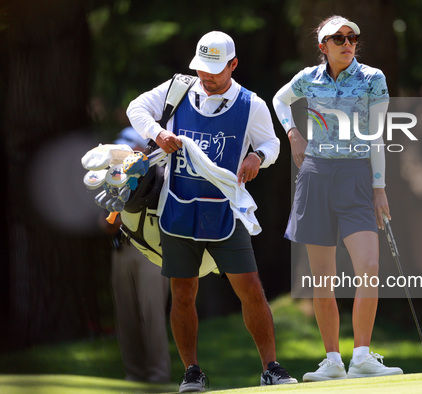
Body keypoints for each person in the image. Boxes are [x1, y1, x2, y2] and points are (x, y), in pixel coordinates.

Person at [126, 31, 297, 392]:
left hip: (225, 210)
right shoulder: (178, 89)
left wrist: (257, 157)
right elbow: (136, 109)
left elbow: (271, 143)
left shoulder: (252, 104)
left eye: (216, 69)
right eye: (202, 67)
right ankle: (192, 372)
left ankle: (271, 368)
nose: (207, 75)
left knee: (250, 288)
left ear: (233, 65)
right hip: (178, 207)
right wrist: (157, 134)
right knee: (183, 291)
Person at [272, 16, 404, 381]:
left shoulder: (372, 78)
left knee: (370, 267)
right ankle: (332, 361)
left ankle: (361, 355)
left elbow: (376, 137)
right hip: (315, 175)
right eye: (338, 38)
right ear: (323, 46)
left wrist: (379, 187)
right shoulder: (308, 78)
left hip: (357, 177)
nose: (348, 43)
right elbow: (279, 100)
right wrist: (293, 133)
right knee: (322, 279)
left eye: (352, 37)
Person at [99, 127, 172, 383]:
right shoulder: (114, 179)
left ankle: (158, 374)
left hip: (149, 253)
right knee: (126, 315)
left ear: (143, 150)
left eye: (129, 149)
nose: (123, 155)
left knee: (151, 314)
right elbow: (107, 225)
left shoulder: (159, 174)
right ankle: (135, 374)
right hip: (122, 250)